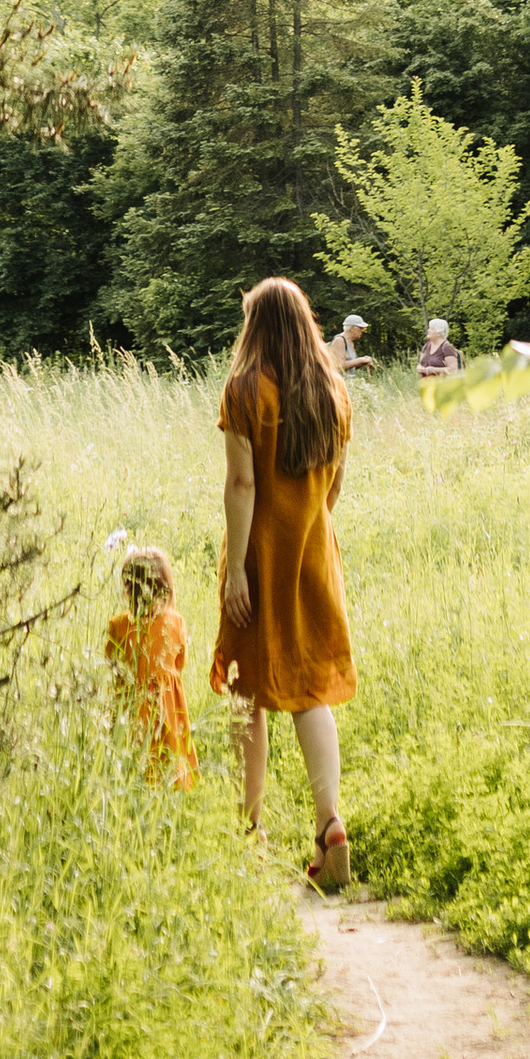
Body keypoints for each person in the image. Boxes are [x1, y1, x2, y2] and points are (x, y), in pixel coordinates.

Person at [211, 275, 357, 891]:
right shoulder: (333, 390)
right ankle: (329, 822)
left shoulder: (245, 390)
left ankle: (252, 831)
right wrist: (312, 528)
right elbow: (336, 486)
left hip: (262, 555)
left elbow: (244, 485)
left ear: (258, 325)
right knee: (309, 687)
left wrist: (239, 567)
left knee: (250, 687)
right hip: (315, 551)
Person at [104, 542, 198, 787]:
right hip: (167, 704)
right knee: (170, 755)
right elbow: (180, 662)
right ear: (165, 588)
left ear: (129, 588)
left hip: (130, 705)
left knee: (129, 767)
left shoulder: (118, 625)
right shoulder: (176, 623)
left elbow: (111, 662)